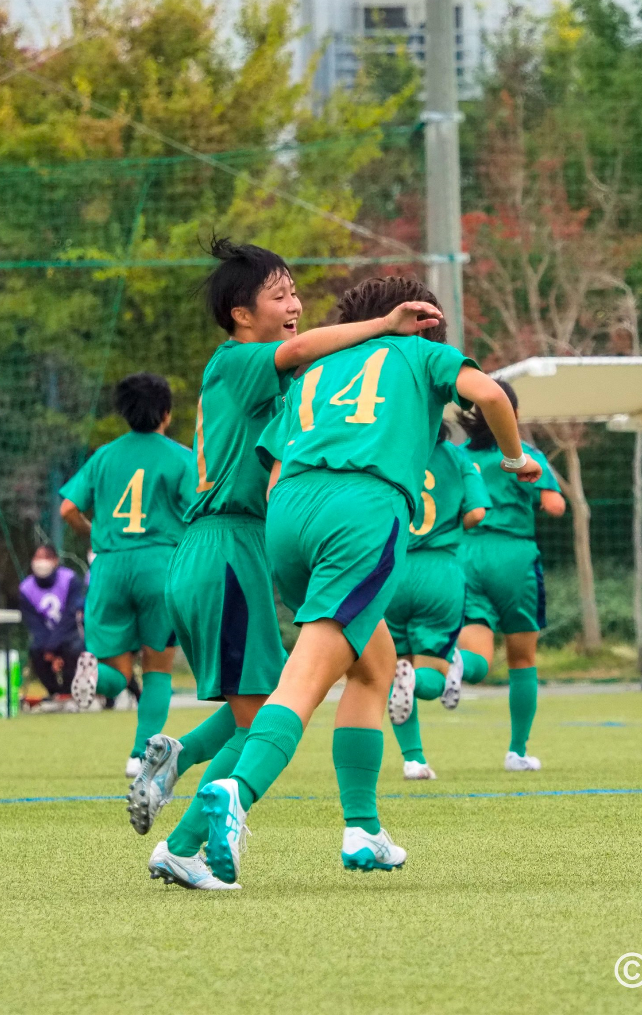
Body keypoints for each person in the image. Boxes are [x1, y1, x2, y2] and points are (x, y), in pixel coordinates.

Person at [196, 275, 539, 886]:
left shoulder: (315, 369)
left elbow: (273, 468)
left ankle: (363, 829)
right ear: (421, 321)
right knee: (306, 679)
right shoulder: (420, 352)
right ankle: (236, 792)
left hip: (287, 518)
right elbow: (491, 395)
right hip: (363, 512)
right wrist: (515, 460)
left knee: (374, 666)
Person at [136, 241, 444, 890]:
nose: (296, 305)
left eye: (296, 292)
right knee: (270, 712)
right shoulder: (240, 361)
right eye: (280, 295)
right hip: (229, 547)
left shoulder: (274, 383)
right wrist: (385, 329)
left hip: (230, 547)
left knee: (365, 664)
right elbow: (303, 354)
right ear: (241, 314)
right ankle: (185, 841)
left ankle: (359, 827)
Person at [59, 372, 195, 777]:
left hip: (110, 564)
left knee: (117, 674)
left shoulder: (104, 456)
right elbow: (197, 511)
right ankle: (140, 756)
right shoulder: (180, 457)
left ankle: (93, 675)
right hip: (159, 564)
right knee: (157, 667)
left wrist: (93, 532)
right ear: (166, 413)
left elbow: (68, 508)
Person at [455, 380, 566, 772]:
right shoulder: (526, 456)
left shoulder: (456, 457)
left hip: (465, 554)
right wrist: (538, 490)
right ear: (512, 415)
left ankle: (453, 666)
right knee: (522, 658)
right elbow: (555, 506)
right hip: (513, 556)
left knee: (476, 654)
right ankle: (517, 751)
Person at [384, 422, 490, 780]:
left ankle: (413, 760)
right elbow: (477, 512)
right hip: (439, 570)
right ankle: (437, 671)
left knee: (396, 667)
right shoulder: (457, 457)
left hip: (391, 568)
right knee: (431, 673)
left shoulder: (387, 448)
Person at [16, 544, 87, 705]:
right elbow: (35, 624)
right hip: (45, 639)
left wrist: (52, 647)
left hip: (69, 634)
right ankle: (55, 693)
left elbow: (70, 616)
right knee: (36, 651)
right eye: (37, 557)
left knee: (74, 648)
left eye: (46, 558)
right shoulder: (26, 589)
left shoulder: (69, 579)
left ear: (55, 561)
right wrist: (48, 650)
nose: (41, 562)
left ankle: (69, 691)